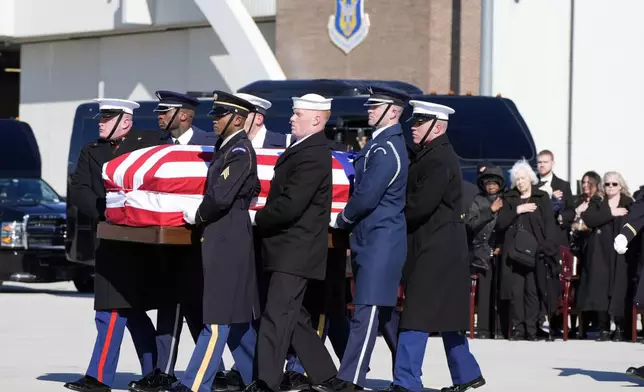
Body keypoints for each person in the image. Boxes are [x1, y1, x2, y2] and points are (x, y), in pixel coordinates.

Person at [64, 99, 169, 392]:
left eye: (107, 117)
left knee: (131, 310)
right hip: (110, 236)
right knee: (113, 309)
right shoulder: (90, 150)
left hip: (143, 241)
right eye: (100, 117)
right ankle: (105, 376)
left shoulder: (149, 143)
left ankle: (154, 373)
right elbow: (80, 188)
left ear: (125, 121)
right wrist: (108, 212)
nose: (100, 122)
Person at [165, 91, 260, 392]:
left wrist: (197, 213)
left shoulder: (240, 152)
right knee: (237, 321)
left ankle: (194, 384)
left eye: (220, 116)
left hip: (228, 239)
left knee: (218, 319)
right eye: (216, 116)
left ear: (238, 119)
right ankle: (258, 377)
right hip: (222, 238)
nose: (215, 121)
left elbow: (220, 196)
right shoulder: (226, 150)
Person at [389, 100, 485, 392]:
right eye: (414, 123)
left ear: (437, 127)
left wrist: (389, 215)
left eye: (419, 123)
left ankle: (406, 382)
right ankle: (466, 373)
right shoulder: (430, 155)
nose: (413, 128)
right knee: (447, 315)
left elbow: (419, 206)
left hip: (436, 248)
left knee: (416, 315)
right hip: (441, 247)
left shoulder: (438, 159)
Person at [244, 93, 338, 392]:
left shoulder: (313, 153)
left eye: (297, 114)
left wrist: (256, 219)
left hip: (294, 249)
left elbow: (291, 204)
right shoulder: (303, 148)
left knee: (276, 316)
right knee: (293, 315)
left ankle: (266, 381)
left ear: (315, 119)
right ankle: (326, 375)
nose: (290, 118)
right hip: (287, 247)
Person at [128, 90, 221, 392]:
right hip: (167, 244)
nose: (158, 115)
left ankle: (216, 371)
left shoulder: (210, 144)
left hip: (201, 242)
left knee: (199, 311)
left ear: (183, 115)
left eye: (164, 111)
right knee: (171, 306)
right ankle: (165, 371)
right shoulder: (157, 147)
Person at [320, 86, 409, 392]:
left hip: (380, 239)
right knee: (382, 314)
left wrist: (342, 218)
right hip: (371, 239)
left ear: (393, 112)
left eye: (376, 107)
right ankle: (408, 374)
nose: (369, 111)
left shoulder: (387, 149)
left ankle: (350, 379)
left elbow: (367, 195)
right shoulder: (378, 145)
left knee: (367, 310)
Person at [496, 160, 560, 341]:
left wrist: (548, 248)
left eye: (523, 178)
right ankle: (518, 329)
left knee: (533, 291)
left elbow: (549, 225)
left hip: (536, 253)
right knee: (516, 292)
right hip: (514, 254)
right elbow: (500, 223)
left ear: (530, 178)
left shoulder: (541, 197)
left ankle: (532, 329)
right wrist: (518, 209)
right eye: (517, 179)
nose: (520, 182)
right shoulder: (509, 198)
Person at [577, 172, 634, 341]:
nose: (610, 187)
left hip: (620, 251)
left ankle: (620, 327)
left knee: (618, 288)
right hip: (599, 250)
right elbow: (589, 219)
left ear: (621, 186)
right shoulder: (598, 201)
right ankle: (603, 328)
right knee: (599, 289)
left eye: (614, 184)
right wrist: (611, 213)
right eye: (607, 184)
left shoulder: (628, 202)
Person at [465, 165, 505, 339]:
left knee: (501, 290)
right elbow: (471, 223)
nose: (491, 186)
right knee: (484, 291)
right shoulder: (477, 201)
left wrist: (501, 245)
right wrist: (491, 210)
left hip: (501, 251)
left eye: (494, 183)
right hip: (480, 252)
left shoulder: (506, 199)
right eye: (487, 183)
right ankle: (483, 329)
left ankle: (499, 329)